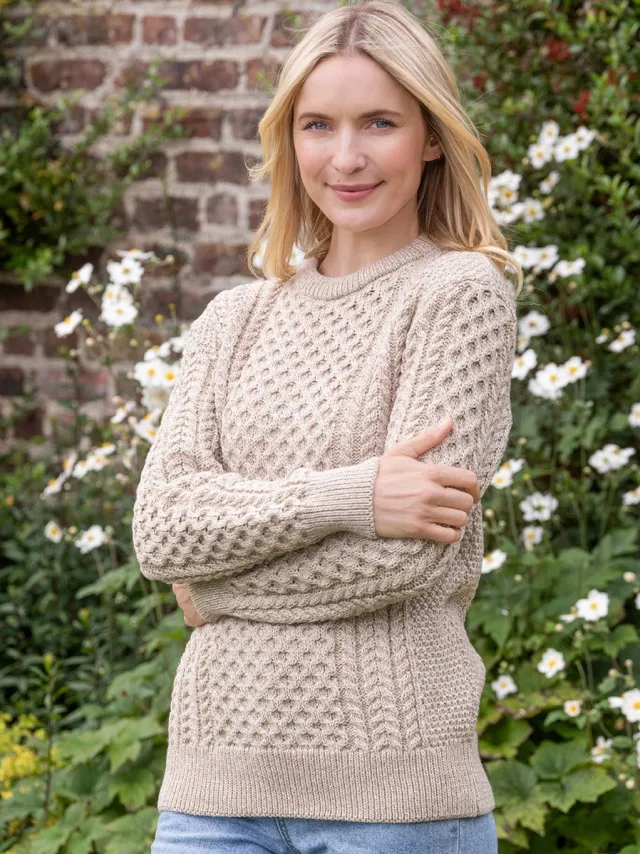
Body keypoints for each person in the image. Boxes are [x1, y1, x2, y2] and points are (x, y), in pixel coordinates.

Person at [132, 0, 524, 851]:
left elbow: (402, 557)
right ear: (290, 139)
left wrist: (212, 588)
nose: (346, 157)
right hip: (209, 792)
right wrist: (351, 497)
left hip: (396, 801)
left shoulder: (458, 296)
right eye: (318, 125)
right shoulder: (233, 319)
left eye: (379, 122)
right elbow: (161, 530)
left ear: (431, 137)